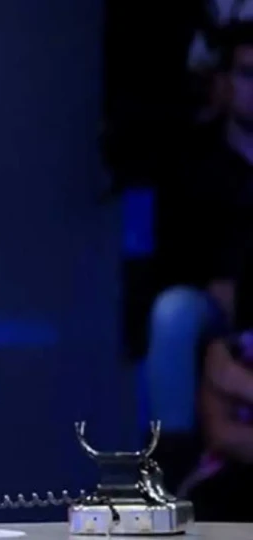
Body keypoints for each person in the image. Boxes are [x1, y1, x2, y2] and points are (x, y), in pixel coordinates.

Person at [143, 20, 253, 521]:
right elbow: (170, 257)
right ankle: (173, 464)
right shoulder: (194, 160)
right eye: (247, 74)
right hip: (213, 305)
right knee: (174, 312)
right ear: (225, 82)